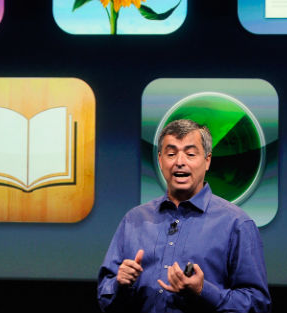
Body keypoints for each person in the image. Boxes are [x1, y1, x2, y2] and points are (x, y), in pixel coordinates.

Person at [97, 119, 271, 312]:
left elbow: (258, 304)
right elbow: (105, 297)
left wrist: (203, 290)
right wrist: (119, 284)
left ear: (207, 160)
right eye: (171, 154)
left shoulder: (236, 223)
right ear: (160, 160)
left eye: (190, 154)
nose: (180, 162)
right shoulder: (134, 220)